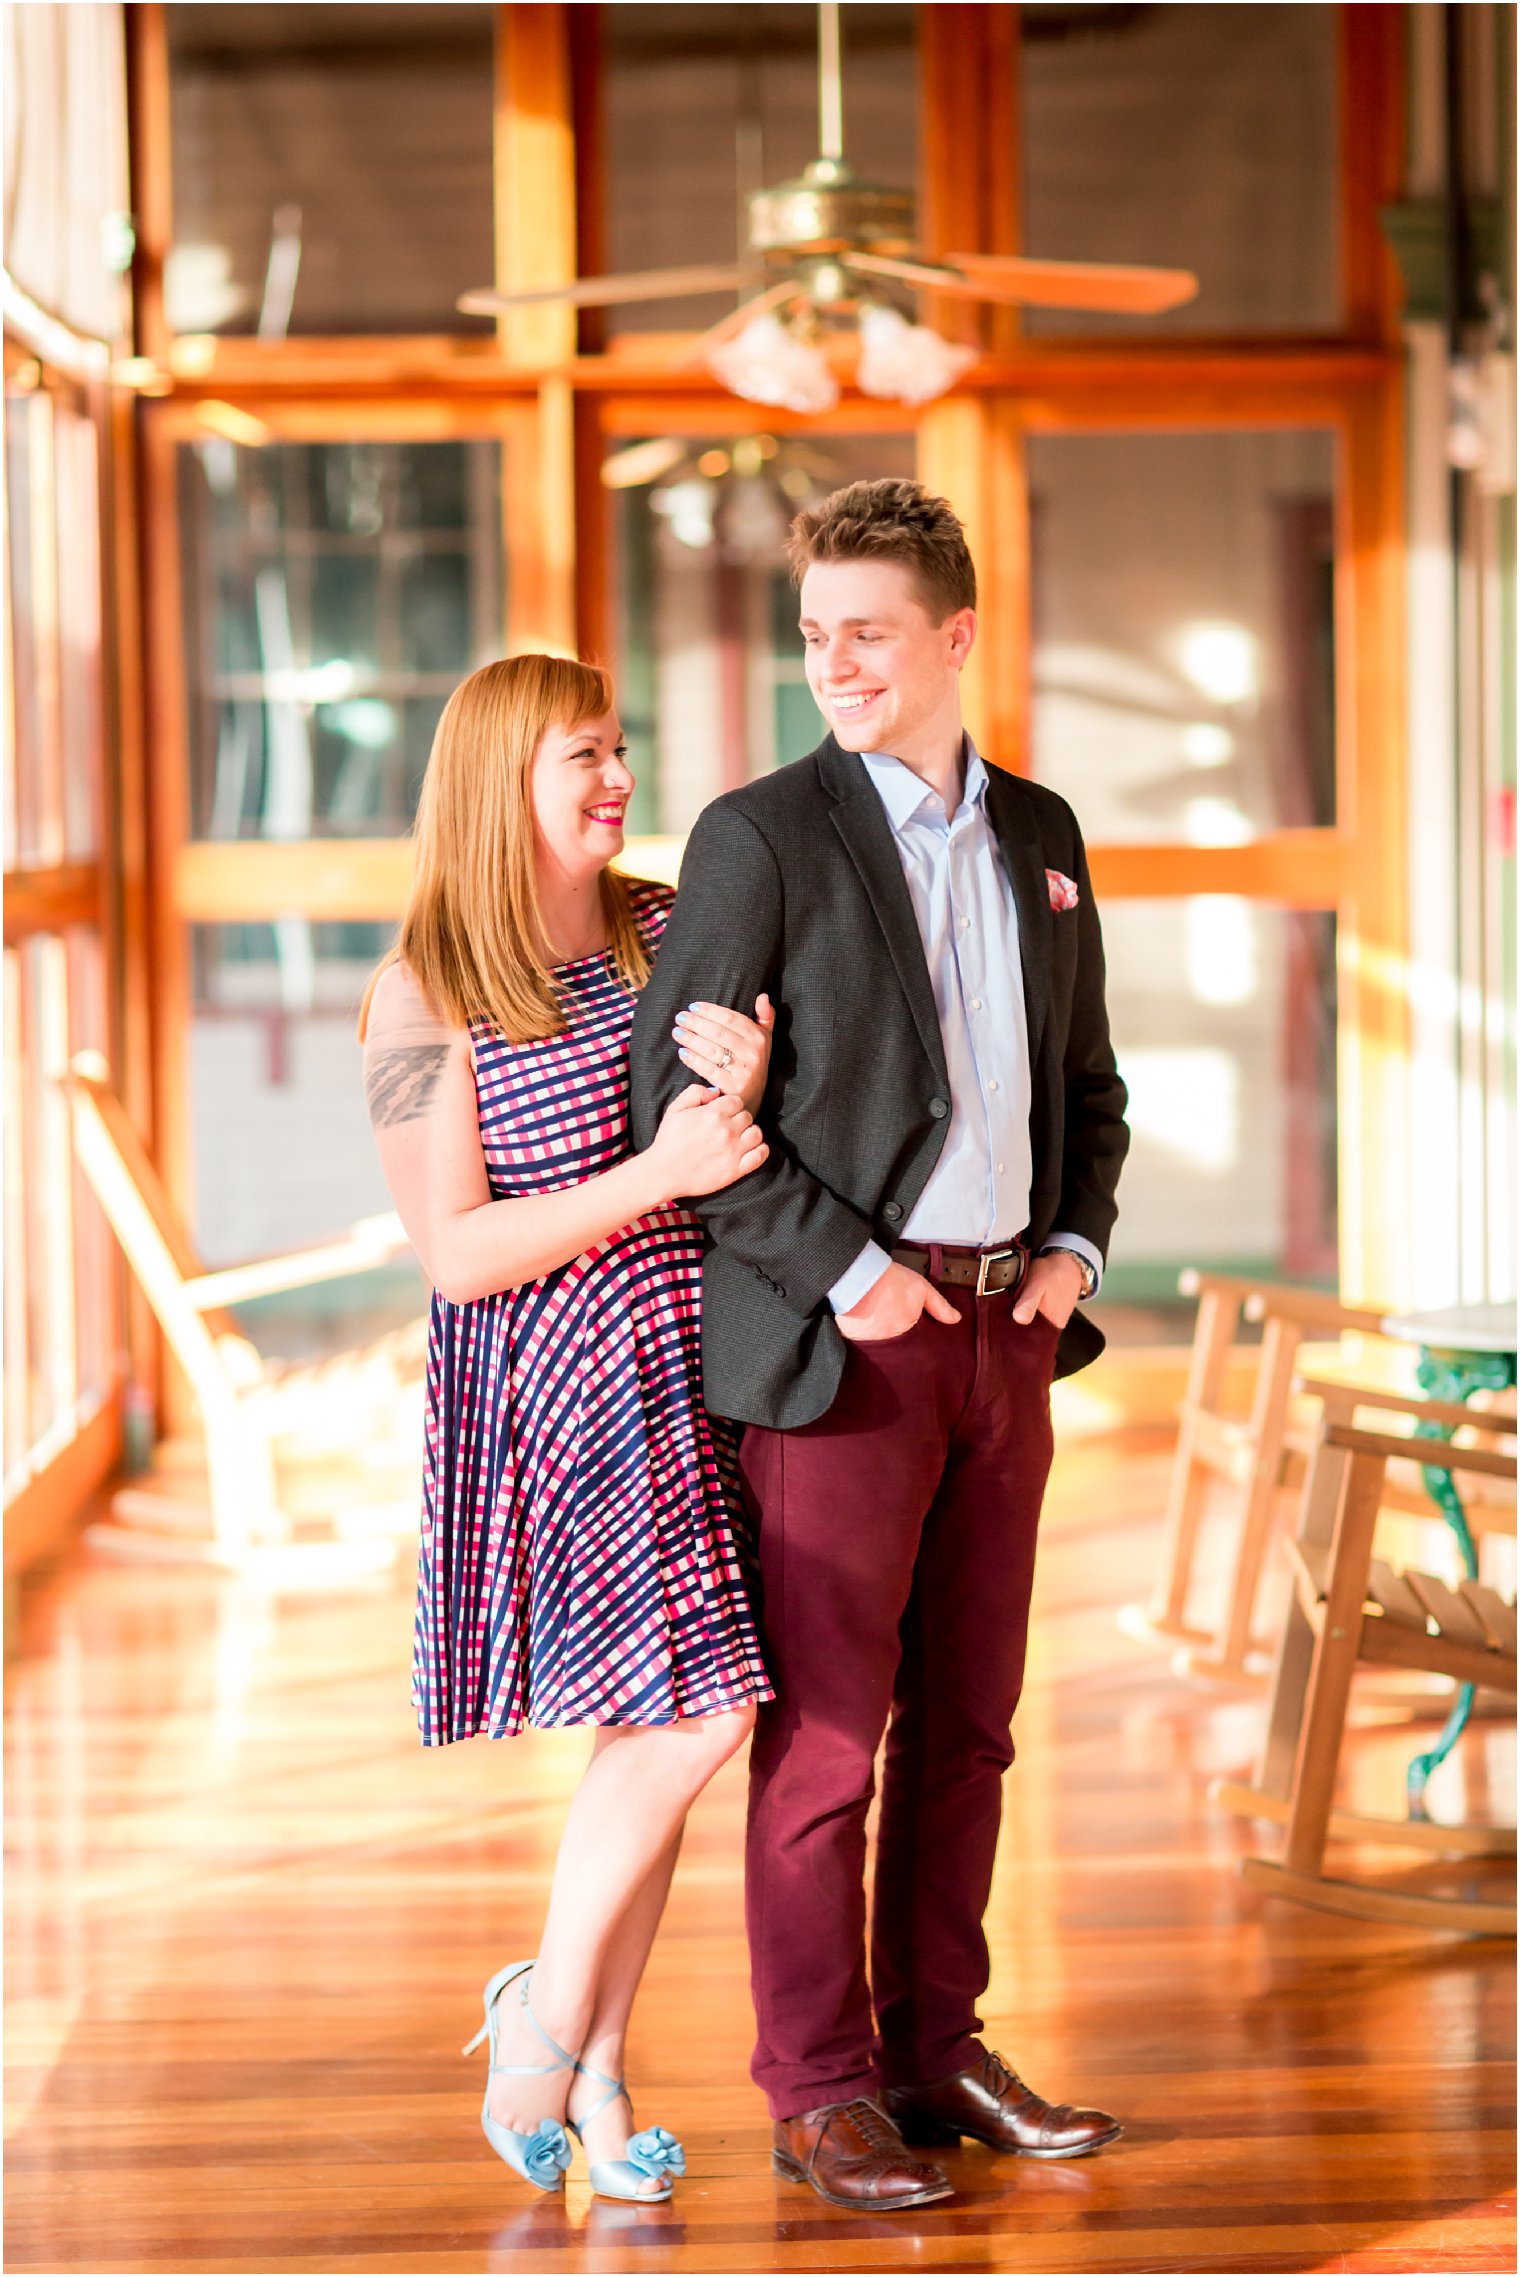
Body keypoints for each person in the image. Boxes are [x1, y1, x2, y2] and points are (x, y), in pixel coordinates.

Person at [629, 479, 1130, 2213]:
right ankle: (821, 2080)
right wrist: (849, 1273)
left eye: (869, 632)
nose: (833, 663)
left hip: (1012, 1334)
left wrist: (1070, 1248)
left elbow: (1090, 1089)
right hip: (851, 1343)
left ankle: (937, 2044)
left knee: (973, 1721)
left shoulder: (1045, 832)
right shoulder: (759, 835)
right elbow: (669, 1103)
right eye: (816, 634)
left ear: (955, 637)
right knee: (830, 1730)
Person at [361, 653, 778, 2205]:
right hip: (563, 1393)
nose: (617, 779)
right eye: (583, 757)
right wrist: (658, 1171)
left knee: (650, 1729)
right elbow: (456, 1251)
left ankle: (598, 2068)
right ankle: (539, 2013)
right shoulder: (417, 991)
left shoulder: (662, 923)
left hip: (692, 1362)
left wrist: (753, 1071)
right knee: (698, 1716)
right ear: (497, 783)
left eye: (620, 748)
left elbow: (747, 1115)